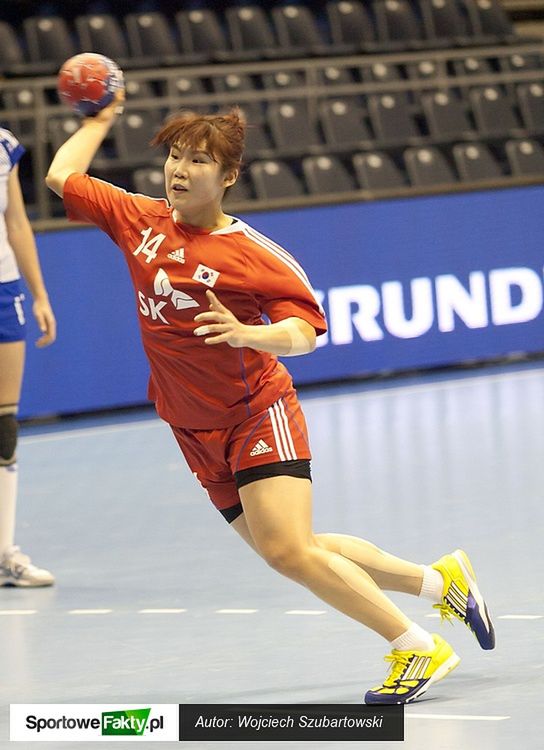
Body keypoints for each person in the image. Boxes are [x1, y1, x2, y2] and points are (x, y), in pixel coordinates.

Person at [45, 99, 494, 704]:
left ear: (229, 175)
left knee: (287, 550)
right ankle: (440, 582)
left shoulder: (252, 252)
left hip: (256, 413)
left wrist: (249, 335)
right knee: (292, 548)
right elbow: (61, 176)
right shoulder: (139, 219)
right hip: (190, 424)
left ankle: (416, 647)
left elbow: (306, 332)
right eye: (175, 156)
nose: (179, 170)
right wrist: (99, 121)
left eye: (198, 160)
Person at [0, 127, 56, 587]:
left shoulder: (3, 146)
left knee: (4, 426)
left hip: (4, 291)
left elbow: (16, 222)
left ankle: (4, 553)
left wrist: (39, 295)